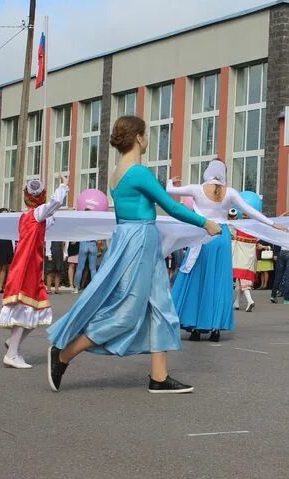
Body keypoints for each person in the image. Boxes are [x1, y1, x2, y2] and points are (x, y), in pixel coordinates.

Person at [46, 115, 221, 393]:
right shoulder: (138, 172)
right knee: (126, 313)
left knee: (161, 306)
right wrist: (206, 223)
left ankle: (159, 378)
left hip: (134, 238)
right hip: (140, 239)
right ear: (138, 138)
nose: (148, 139)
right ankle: (64, 354)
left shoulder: (118, 172)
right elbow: (171, 207)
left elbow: (123, 218)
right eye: (147, 134)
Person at [166, 159, 286, 342]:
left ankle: (196, 328)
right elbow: (250, 210)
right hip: (221, 237)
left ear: (208, 171)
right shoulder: (229, 192)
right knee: (218, 282)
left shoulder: (197, 189)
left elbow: (169, 191)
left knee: (197, 281)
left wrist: (170, 182)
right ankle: (215, 328)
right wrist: (272, 223)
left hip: (202, 234)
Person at [0, 178, 69, 369]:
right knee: (26, 306)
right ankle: (12, 353)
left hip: (29, 264)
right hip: (27, 265)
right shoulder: (36, 214)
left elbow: (50, 215)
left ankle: (13, 343)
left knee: (38, 310)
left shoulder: (27, 216)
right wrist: (62, 186)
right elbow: (55, 203)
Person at [229, 209, 259, 312]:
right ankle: (236, 303)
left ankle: (250, 300)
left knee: (243, 280)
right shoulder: (255, 229)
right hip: (250, 258)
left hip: (240, 257)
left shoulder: (239, 227)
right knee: (240, 281)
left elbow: (231, 231)